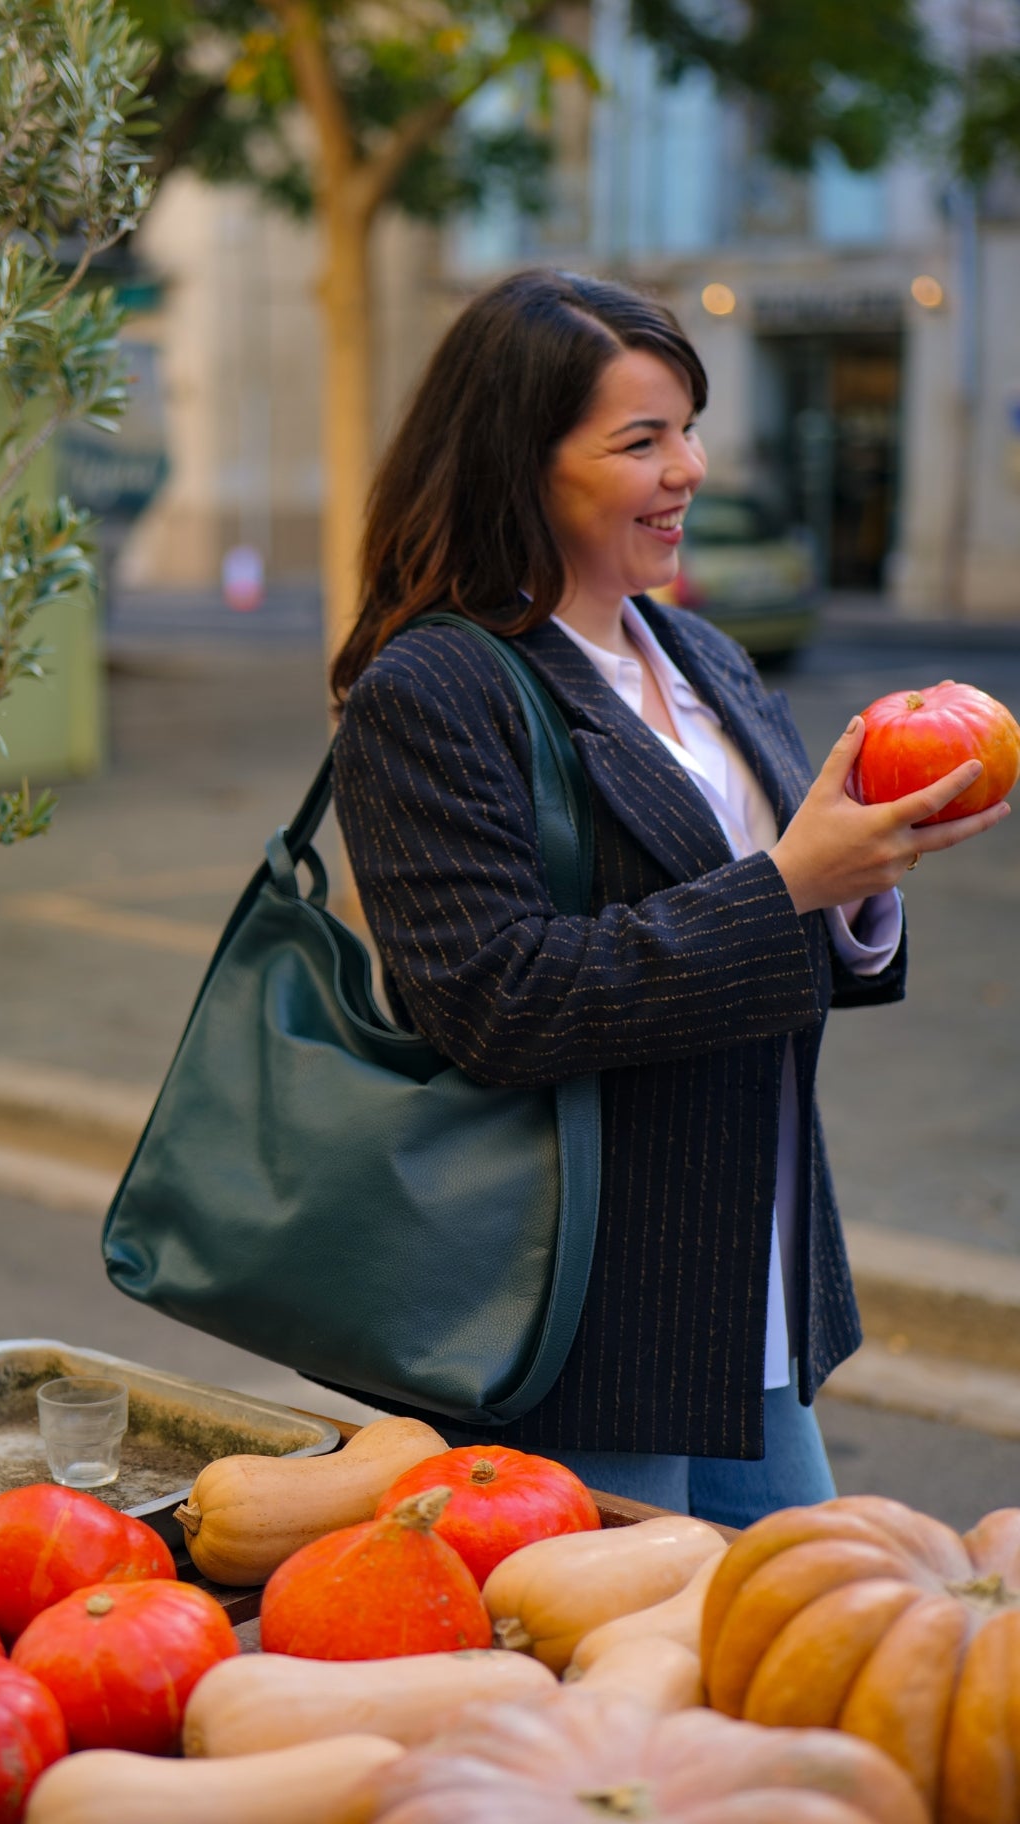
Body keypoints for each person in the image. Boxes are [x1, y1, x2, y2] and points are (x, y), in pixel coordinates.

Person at [325, 268, 1009, 1530]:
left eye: (686, 427)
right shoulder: (430, 690)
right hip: (576, 1322)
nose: (687, 467)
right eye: (640, 439)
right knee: (604, 1698)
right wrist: (791, 882)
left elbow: (790, 911)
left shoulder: (696, 652)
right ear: (515, 464)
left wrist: (867, 880)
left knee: (786, 1668)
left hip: (752, 1290)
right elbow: (494, 1002)